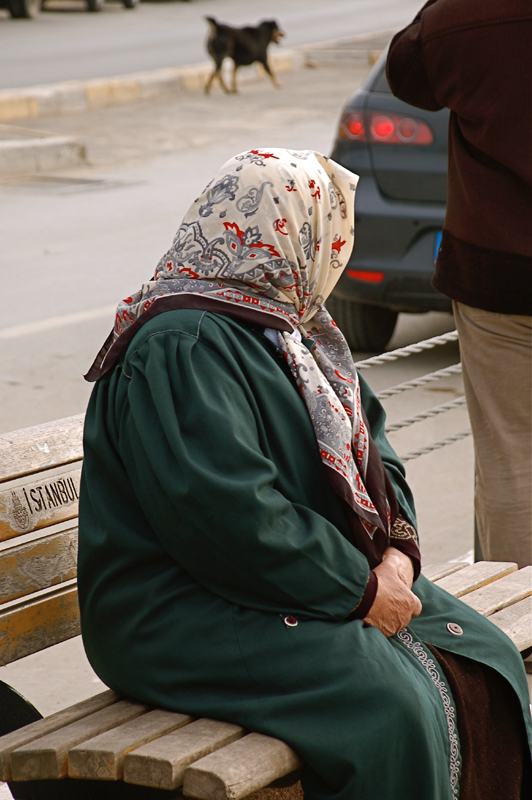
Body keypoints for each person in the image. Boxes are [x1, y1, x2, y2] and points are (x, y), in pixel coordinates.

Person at [79, 149, 531, 800]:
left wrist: (398, 558)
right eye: (324, 231)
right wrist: (359, 591)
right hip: (182, 610)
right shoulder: (184, 341)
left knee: (483, 656)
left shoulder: (298, 330)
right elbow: (228, 518)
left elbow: (378, 456)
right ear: (283, 235)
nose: (333, 250)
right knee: (390, 708)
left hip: (298, 582)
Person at [386, 0, 532, 568]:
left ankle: (522, 632)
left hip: (498, 279)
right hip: (494, 279)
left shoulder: (469, 13)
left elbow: (407, 71)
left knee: (513, 464)